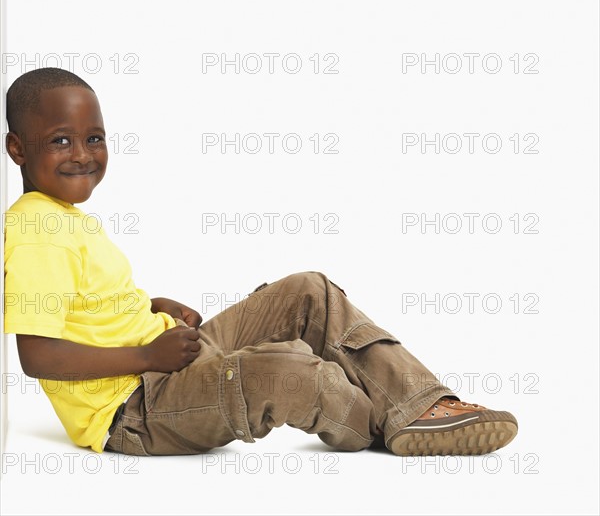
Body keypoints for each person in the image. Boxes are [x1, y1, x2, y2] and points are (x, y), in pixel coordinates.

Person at [3, 67, 518, 457]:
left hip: (166, 362)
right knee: (289, 370)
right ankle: (384, 425)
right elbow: (39, 355)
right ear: (17, 149)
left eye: (94, 138)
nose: (83, 154)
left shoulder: (62, 216)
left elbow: (85, 302)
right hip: (135, 410)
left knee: (308, 291)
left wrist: (153, 305)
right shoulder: (37, 230)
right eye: (60, 141)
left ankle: (422, 405)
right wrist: (145, 357)